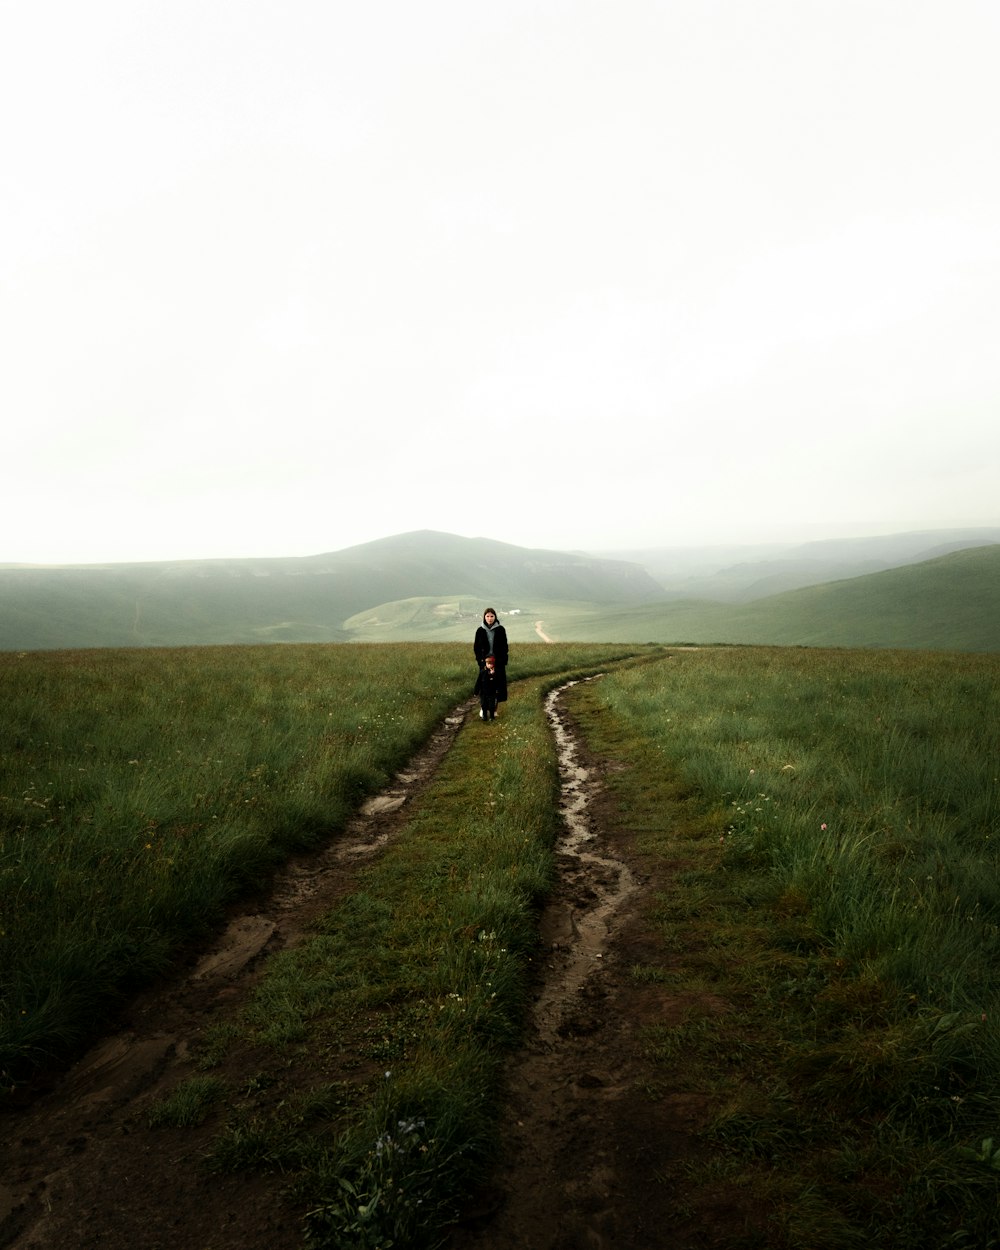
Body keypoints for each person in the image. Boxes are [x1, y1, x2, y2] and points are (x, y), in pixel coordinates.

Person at [473, 607, 508, 719]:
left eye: (492, 616)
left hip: (498, 662)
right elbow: (476, 648)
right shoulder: (480, 630)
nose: (489, 618)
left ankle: (495, 710)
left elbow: (504, 646)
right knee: (484, 687)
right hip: (485, 662)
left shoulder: (501, 629)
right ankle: (483, 710)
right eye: (487, 616)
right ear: (484, 617)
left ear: (495, 617)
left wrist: (503, 660)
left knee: (497, 687)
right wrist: (481, 662)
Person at [474, 654, 501, 721]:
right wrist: (476, 691)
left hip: (492, 692)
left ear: (493, 664)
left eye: (491, 664)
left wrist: (493, 675)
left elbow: (498, 682)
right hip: (483, 692)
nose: (489, 665)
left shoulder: (496, 672)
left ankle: (492, 717)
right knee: (484, 705)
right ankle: (484, 716)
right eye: (488, 664)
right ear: (485, 663)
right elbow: (478, 682)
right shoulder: (482, 672)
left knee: (491, 705)